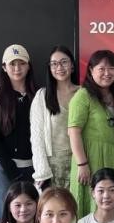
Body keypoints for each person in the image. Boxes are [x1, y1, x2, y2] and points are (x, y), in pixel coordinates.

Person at [0, 44, 38, 223]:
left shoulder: (38, 95)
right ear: (4, 67)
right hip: (3, 167)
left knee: (30, 219)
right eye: (12, 64)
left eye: (21, 63)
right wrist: (10, 170)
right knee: (3, 219)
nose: (17, 68)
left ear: (28, 66)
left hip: (32, 167)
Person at [67, 50, 114, 217]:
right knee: (89, 204)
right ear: (91, 70)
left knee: (110, 203)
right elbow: (73, 132)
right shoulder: (83, 95)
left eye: (111, 68)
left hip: (113, 156)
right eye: (101, 69)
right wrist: (82, 164)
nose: (107, 73)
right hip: (90, 159)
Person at [30, 45, 79, 190]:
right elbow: (37, 136)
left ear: (72, 65)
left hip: (79, 162)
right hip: (52, 166)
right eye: (54, 64)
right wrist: (42, 172)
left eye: (64, 62)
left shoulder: (83, 93)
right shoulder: (42, 96)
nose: (59, 67)